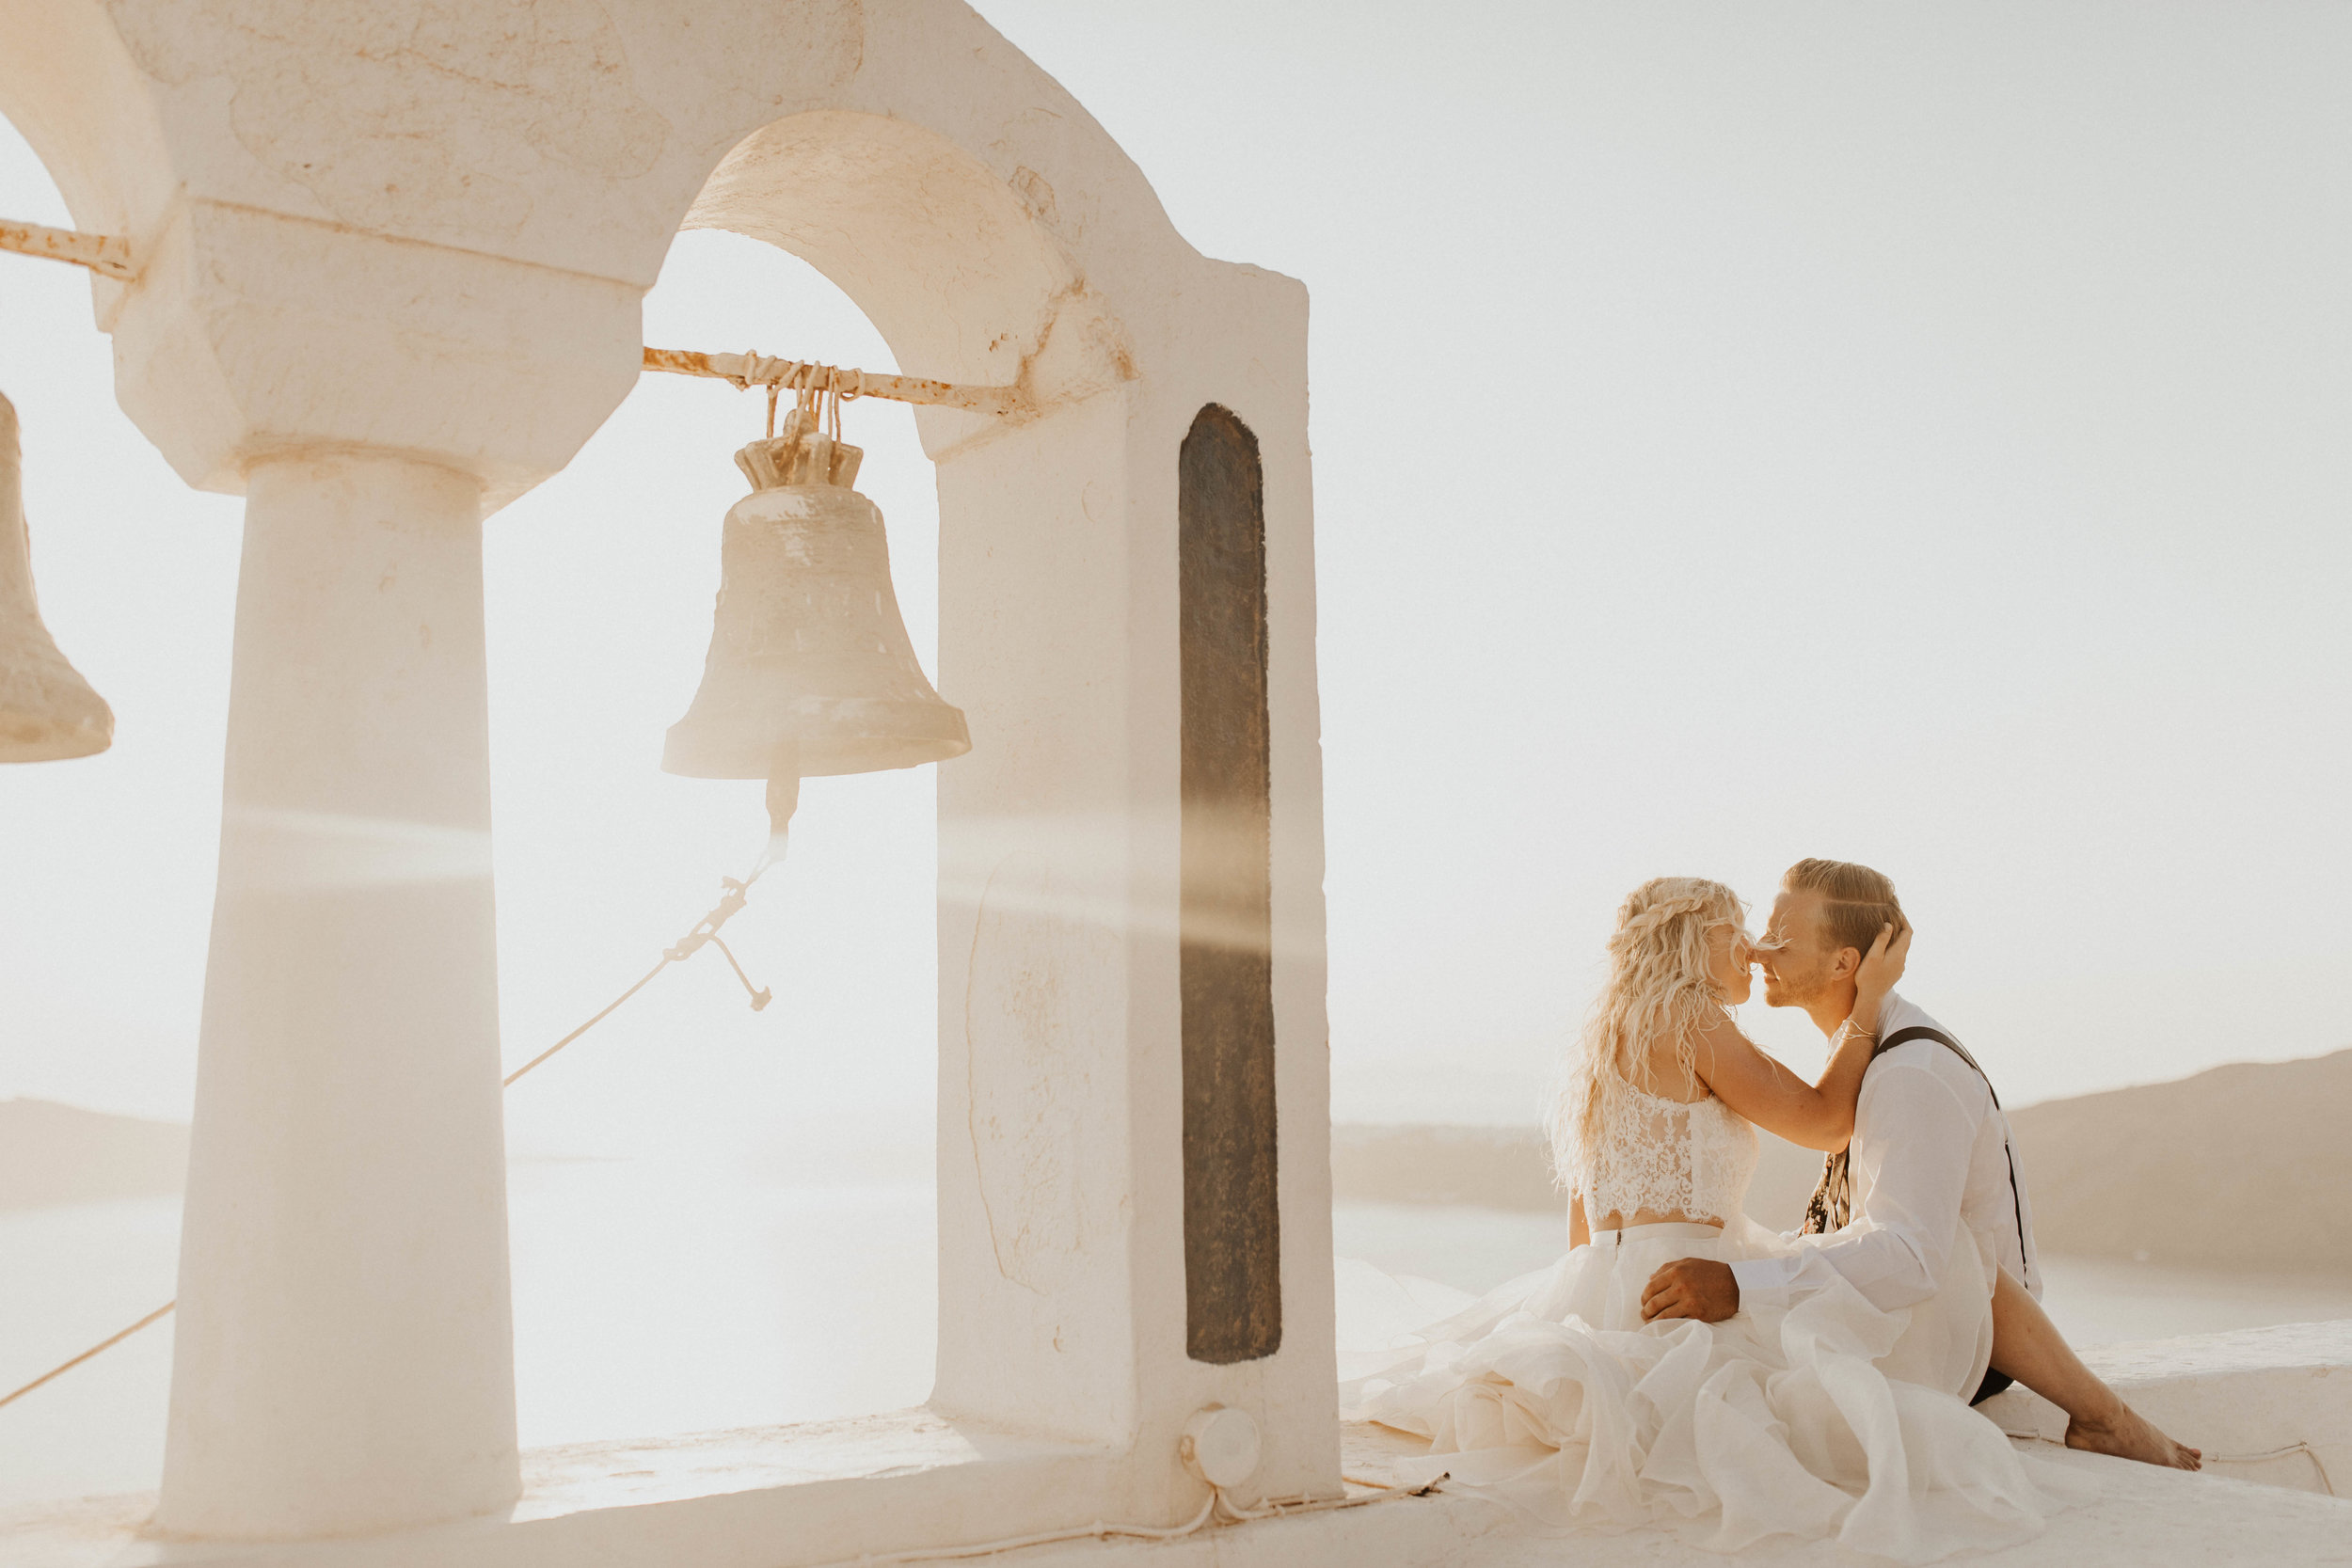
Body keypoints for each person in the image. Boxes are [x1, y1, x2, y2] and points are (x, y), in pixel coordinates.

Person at [1340, 876, 2075, 1562]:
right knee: (1901, 1303)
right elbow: (1823, 1123)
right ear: (1696, 943)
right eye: (1738, 935)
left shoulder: (1603, 1040)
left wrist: (1594, 1319)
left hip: (1603, 1278)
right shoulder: (1691, 1018)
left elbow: (1584, 1224)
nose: (1752, 951)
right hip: (1685, 1282)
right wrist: (1868, 1006)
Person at [1641, 858, 2199, 1471]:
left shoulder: (1910, 1073)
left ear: (1843, 963)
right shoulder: (1864, 1052)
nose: (1756, 949)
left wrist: (1742, 1283)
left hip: (1967, 1341)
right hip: (1914, 1304)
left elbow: (1913, 1258)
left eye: (1780, 935)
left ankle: (2105, 1418)